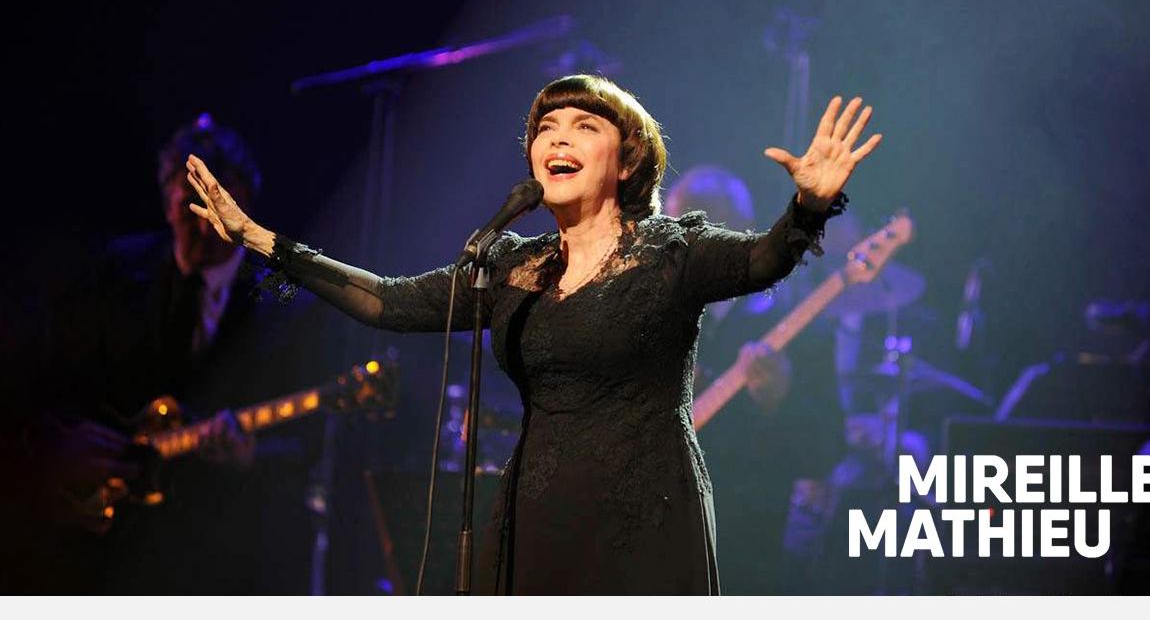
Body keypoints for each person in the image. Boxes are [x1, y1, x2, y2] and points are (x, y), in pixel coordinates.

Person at [184, 74, 882, 594]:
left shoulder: (672, 252)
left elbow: (763, 259)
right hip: (536, 516)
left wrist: (809, 204)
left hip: (646, 516)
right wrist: (262, 241)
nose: (558, 137)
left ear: (627, 160)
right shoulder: (510, 267)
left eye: (583, 125)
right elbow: (385, 301)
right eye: (547, 127)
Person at [18, 116, 318, 594]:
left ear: (243, 207)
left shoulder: (286, 308)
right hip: (108, 550)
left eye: (213, 212)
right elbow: (47, 378)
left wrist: (252, 455)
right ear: (166, 202)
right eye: (186, 208)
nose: (200, 228)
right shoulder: (114, 274)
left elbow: (315, 447)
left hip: (224, 557)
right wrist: (56, 446)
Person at [665, 165, 847, 594]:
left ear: (740, 232)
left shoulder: (803, 333)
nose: (679, 242)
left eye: (695, 224)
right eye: (674, 227)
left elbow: (828, 448)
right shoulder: (658, 317)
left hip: (746, 550)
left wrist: (778, 400)